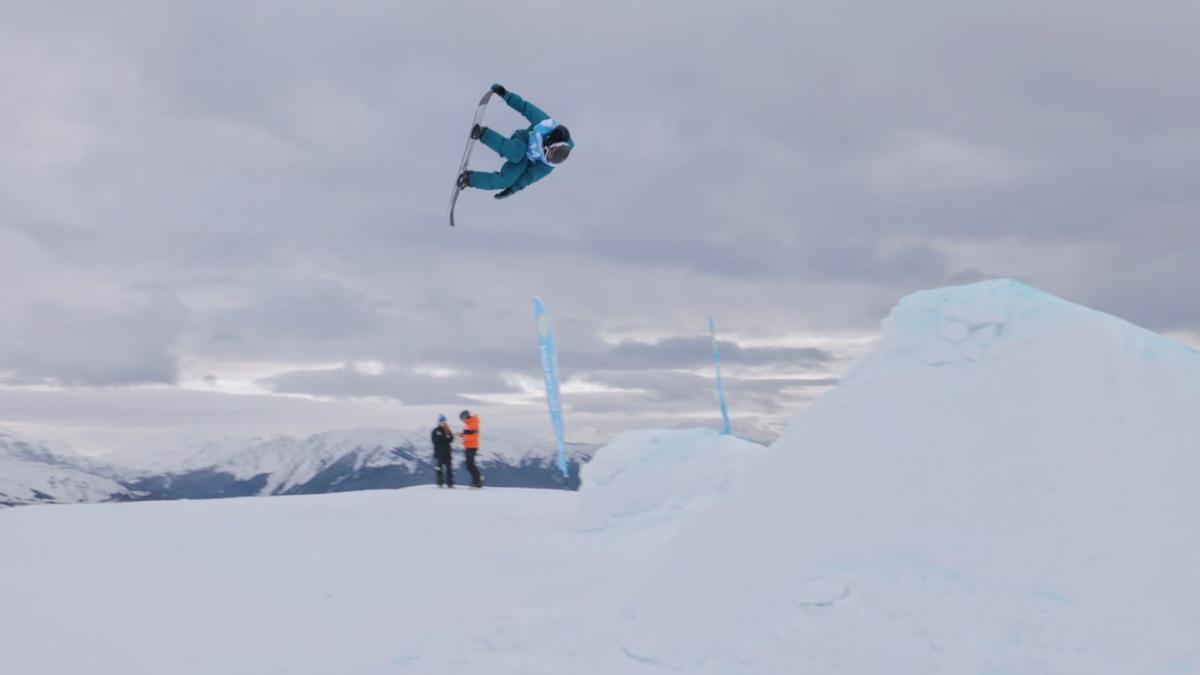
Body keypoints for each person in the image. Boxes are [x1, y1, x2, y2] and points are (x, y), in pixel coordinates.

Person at [456, 83, 575, 200]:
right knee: (516, 153)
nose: (547, 157)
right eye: (549, 152)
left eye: (550, 158)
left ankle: (469, 179)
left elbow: (529, 177)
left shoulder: (548, 165)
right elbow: (525, 108)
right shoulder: (545, 124)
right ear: (552, 143)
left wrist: (512, 189)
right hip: (523, 141)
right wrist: (505, 94)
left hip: (526, 161)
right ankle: (483, 133)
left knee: (506, 180)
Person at [459, 409, 484, 488]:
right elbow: (469, 433)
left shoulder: (472, 423)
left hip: (471, 446)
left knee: (470, 465)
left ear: (465, 417)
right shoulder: (470, 423)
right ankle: (477, 480)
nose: (463, 421)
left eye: (462, 419)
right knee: (470, 465)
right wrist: (462, 434)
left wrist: (464, 436)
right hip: (469, 446)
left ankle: (477, 482)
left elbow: (472, 434)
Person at [431, 415, 455, 488]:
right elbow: (434, 440)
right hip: (439, 452)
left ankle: (450, 484)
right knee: (439, 468)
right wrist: (442, 436)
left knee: (449, 469)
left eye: (444, 421)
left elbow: (451, 439)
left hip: (447, 452)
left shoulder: (448, 430)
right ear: (438, 422)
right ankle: (440, 484)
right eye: (441, 421)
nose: (442, 423)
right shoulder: (435, 430)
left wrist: (449, 437)